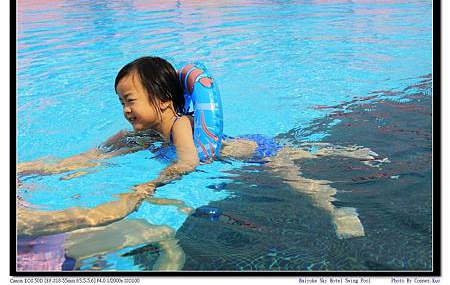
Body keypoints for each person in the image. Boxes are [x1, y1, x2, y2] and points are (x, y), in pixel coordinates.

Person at [17, 56, 387, 241]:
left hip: (259, 153)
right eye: (121, 103)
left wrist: (149, 187)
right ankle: (328, 151)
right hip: (233, 148)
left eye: (130, 100)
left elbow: (189, 163)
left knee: (296, 177)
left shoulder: (181, 124)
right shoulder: (139, 134)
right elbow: (90, 157)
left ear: (162, 99)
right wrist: (24, 168)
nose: (126, 110)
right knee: (303, 153)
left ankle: (338, 208)